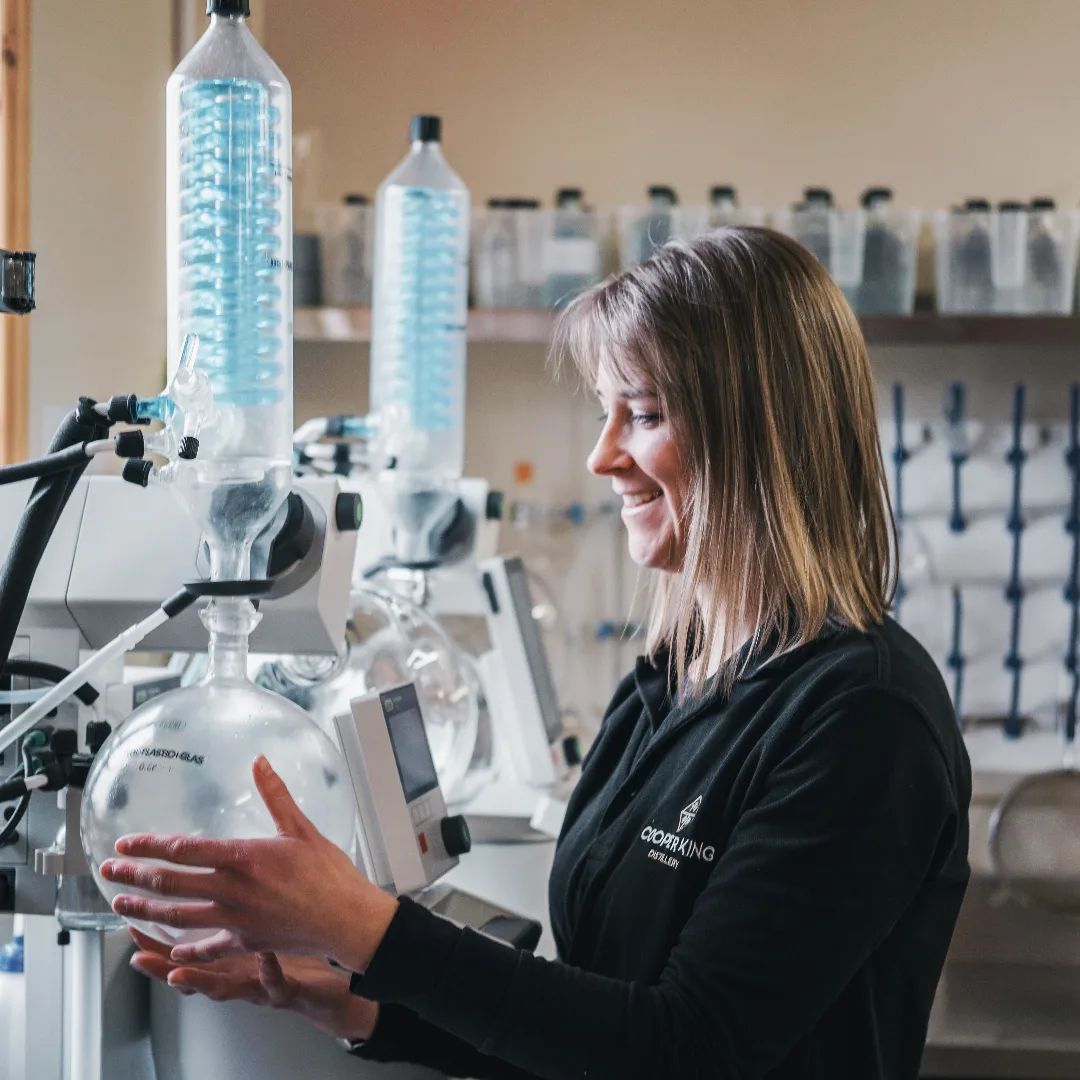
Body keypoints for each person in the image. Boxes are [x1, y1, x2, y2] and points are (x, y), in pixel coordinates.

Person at [101, 227, 971, 1080]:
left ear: (763, 432)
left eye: (647, 414)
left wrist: (363, 925)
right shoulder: (668, 683)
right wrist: (352, 1001)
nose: (602, 457)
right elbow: (585, 1025)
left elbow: (688, 1049)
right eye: (607, 413)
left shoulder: (865, 720)